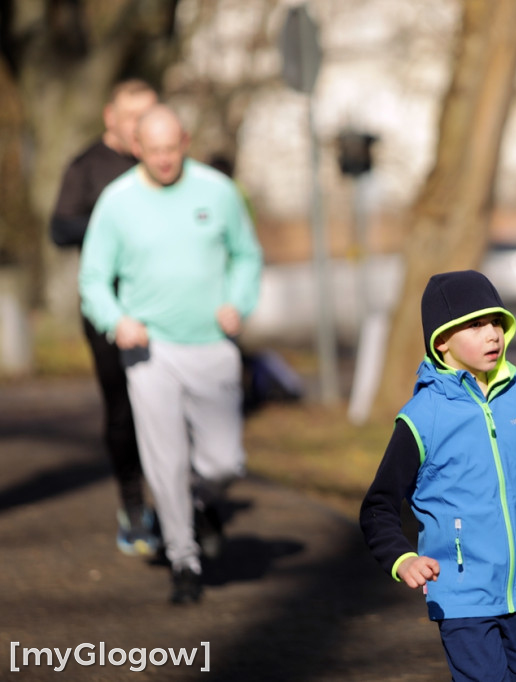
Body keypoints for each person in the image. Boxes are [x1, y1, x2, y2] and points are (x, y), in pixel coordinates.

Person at [360, 270, 516, 681]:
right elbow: (378, 507)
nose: (492, 334)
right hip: (463, 598)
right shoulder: (421, 418)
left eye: (496, 322)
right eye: (475, 326)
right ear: (442, 341)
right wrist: (402, 559)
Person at [78, 105, 263, 605]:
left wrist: (237, 303)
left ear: (185, 139)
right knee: (165, 461)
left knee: (225, 462)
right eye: (152, 150)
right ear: (137, 148)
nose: (163, 160)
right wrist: (117, 320)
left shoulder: (217, 192)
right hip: (150, 351)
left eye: (171, 148)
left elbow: (247, 255)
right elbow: (92, 278)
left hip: (213, 345)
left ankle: (200, 502)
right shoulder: (117, 202)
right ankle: (184, 560)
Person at [50, 78, 160, 556]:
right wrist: (110, 220)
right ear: (110, 117)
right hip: (109, 310)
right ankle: (133, 506)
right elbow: (59, 227)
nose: (141, 125)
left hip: (164, 307)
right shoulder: (86, 166)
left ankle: (190, 503)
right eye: (132, 116)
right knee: (124, 410)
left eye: (150, 113)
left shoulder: (161, 163)